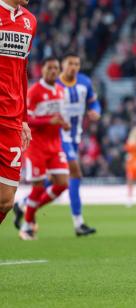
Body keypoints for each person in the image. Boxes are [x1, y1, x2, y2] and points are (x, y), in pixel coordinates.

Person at [13, 57, 70, 240]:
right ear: (42, 69)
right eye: (50, 68)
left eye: (56, 68)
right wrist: (48, 121)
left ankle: (27, 206)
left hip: (55, 145)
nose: (53, 71)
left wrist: (63, 123)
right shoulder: (34, 92)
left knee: (62, 184)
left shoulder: (61, 91)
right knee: (38, 188)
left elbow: (58, 116)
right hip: (36, 146)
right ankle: (28, 225)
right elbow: (26, 120)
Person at [0, 0, 36, 225]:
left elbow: (22, 70)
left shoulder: (30, 21)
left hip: (12, 118)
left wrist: (24, 119)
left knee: (5, 201)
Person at [57, 53, 101, 236]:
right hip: (58, 136)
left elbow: (94, 104)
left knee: (56, 180)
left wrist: (96, 112)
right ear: (62, 65)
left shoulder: (85, 82)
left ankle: (24, 205)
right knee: (75, 174)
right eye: (70, 64)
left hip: (75, 137)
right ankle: (78, 222)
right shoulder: (55, 86)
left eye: (77, 64)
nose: (74, 67)